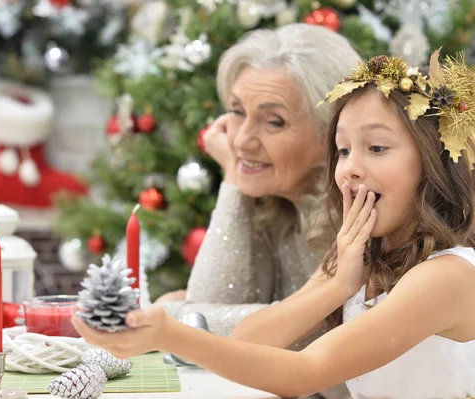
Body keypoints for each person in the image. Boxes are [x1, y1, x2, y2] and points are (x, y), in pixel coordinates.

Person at [73, 51, 475, 399]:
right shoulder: (363, 254)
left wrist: (168, 335)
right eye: (343, 150)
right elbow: (250, 341)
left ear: (434, 163)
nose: (350, 168)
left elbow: (304, 373)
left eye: (377, 148)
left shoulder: (447, 276)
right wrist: (335, 285)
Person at [156, 24, 362, 342]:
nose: (242, 140)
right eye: (237, 112)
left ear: (333, 133)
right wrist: (234, 178)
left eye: (273, 121)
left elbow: (300, 340)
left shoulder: (357, 215)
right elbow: (218, 303)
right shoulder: (273, 199)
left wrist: (175, 317)